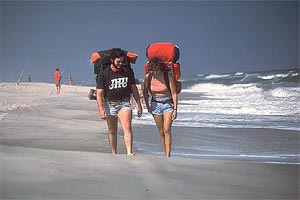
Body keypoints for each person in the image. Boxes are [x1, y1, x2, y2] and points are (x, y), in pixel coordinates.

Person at [96, 49, 142, 156]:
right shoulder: (104, 72)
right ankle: (113, 152)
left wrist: (138, 104)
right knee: (112, 130)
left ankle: (129, 152)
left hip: (124, 103)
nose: (120, 64)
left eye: (122, 62)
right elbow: (99, 93)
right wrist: (101, 109)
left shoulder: (128, 71)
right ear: (112, 60)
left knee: (127, 127)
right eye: (118, 62)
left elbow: (133, 88)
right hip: (109, 104)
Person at [143, 58, 178, 157]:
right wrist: (147, 105)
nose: (154, 72)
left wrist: (175, 109)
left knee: (167, 130)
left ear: (160, 68)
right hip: (155, 104)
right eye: (152, 70)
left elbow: (174, 94)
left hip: (168, 104)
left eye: (156, 70)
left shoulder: (167, 76)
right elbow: (145, 92)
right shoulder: (148, 77)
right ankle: (165, 152)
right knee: (161, 130)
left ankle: (168, 155)